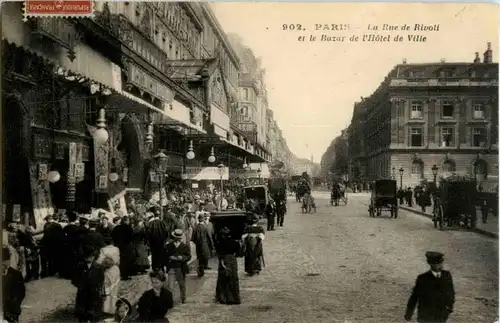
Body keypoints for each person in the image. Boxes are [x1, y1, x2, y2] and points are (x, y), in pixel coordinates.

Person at [405, 251, 455, 323]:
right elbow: (414, 297)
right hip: (425, 316)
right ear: (431, 264)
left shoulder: (447, 275)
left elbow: (451, 292)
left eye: (441, 263)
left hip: (441, 315)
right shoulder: (422, 278)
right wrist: (408, 314)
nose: (440, 265)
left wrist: (449, 308)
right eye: (437, 263)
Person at [72, 245, 106, 323]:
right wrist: (80, 286)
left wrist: (101, 292)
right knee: (82, 315)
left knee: (94, 315)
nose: (90, 258)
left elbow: (102, 280)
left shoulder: (98, 267)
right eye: (87, 256)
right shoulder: (80, 266)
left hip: (95, 294)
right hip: (83, 295)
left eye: (92, 256)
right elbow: (74, 279)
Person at [214, 226, 241, 305]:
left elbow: (218, 252)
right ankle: (235, 298)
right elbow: (239, 253)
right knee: (233, 278)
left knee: (223, 278)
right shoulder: (235, 243)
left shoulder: (220, 243)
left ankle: (223, 298)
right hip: (232, 260)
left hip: (223, 260)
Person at [163, 229, 191, 303]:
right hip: (171, 267)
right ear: (174, 237)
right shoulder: (168, 246)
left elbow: (188, 256)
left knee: (182, 284)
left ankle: (183, 297)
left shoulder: (185, 246)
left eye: (179, 238)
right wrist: (169, 258)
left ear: (181, 238)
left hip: (181, 268)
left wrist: (182, 258)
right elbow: (164, 255)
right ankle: (170, 301)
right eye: (176, 237)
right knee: (170, 286)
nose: (177, 239)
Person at [3, 246, 26, 323]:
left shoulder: (16, 275)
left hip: (11, 312)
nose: (3, 264)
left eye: (5, 261)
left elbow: (21, 292)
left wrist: (13, 303)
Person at [97, 244, 121, 317]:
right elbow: (118, 261)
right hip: (116, 270)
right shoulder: (116, 248)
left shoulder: (103, 250)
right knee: (114, 289)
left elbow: (99, 262)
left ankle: (106, 309)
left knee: (106, 289)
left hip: (108, 271)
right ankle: (113, 309)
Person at [112, 216, 135, 280]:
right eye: (128, 220)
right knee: (126, 261)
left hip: (118, 246)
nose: (129, 222)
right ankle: (125, 275)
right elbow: (131, 238)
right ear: (125, 221)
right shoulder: (128, 228)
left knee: (120, 260)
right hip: (126, 247)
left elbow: (113, 236)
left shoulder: (116, 228)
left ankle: (120, 274)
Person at [192, 213, 214, 277]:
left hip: (198, 245)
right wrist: (212, 245)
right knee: (204, 257)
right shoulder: (205, 227)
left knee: (200, 258)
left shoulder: (195, 227)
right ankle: (201, 271)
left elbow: (193, 238)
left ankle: (200, 271)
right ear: (203, 219)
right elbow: (209, 237)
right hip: (204, 244)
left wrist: (196, 243)